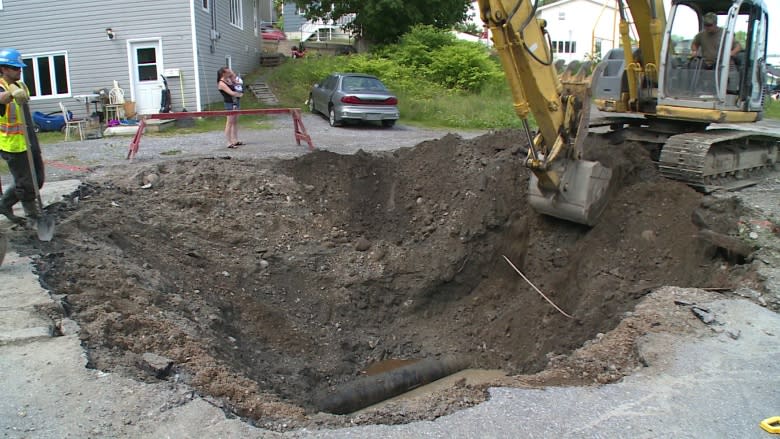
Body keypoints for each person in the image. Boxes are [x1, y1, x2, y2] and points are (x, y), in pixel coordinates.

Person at [0, 48, 43, 225]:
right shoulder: (2, 87)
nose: (19, 71)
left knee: (37, 179)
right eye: (15, 68)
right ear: (3, 69)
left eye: (20, 68)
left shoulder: (21, 85)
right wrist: (10, 94)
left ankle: (4, 204)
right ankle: (33, 217)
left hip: (29, 139)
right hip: (12, 144)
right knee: (25, 183)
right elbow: (1, 98)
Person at [217, 66, 244, 148]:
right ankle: (228, 142)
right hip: (229, 103)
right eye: (227, 72)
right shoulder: (221, 83)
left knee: (235, 122)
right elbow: (231, 93)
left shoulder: (229, 79)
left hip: (235, 102)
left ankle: (235, 140)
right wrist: (239, 94)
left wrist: (231, 73)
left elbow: (234, 77)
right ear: (223, 73)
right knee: (229, 123)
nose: (230, 73)